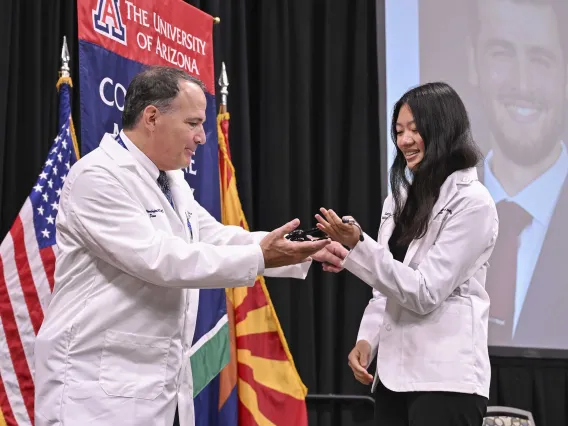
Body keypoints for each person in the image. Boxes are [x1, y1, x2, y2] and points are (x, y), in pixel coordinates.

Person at [33, 65, 345, 426]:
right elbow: (161, 260)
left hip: (149, 392)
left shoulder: (172, 180)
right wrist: (260, 257)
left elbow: (214, 237)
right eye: (193, 123)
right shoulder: (97, 176)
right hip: (92, 392)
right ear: (151, 117)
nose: (202, 136)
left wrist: (299, 246)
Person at [316, 82, 499, 425]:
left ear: (444, 130)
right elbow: (386, 285)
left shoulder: (473, 202)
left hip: (446, 380)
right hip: (393, 379)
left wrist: (358, 246)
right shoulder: (398, 201)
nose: (404, 141)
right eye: (399, 131)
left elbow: (424, 293)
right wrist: (367, 339)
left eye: (415, 130)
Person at [466, 0, 568, 348]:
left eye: (541, 60)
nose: (523, 83)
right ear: (473, 63)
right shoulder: (439, 205)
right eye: (502, 53)